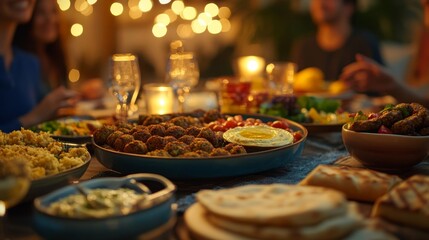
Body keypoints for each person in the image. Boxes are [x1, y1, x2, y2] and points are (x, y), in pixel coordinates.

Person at [0, 0, 78, 133]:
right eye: (41, 13)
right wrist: (35, 116)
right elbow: (36, 117)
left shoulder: (29, 64)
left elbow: (39, 131)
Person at [340, 0, 429, 109]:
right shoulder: (421, 44)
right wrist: (390, 87)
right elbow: (423, 101)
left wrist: (391, 86)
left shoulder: (364, 41)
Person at [291, 0, 384, 81]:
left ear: (349, 7)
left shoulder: (364, 44)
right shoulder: (304, 47)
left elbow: (381, 90)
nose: (320, 2)